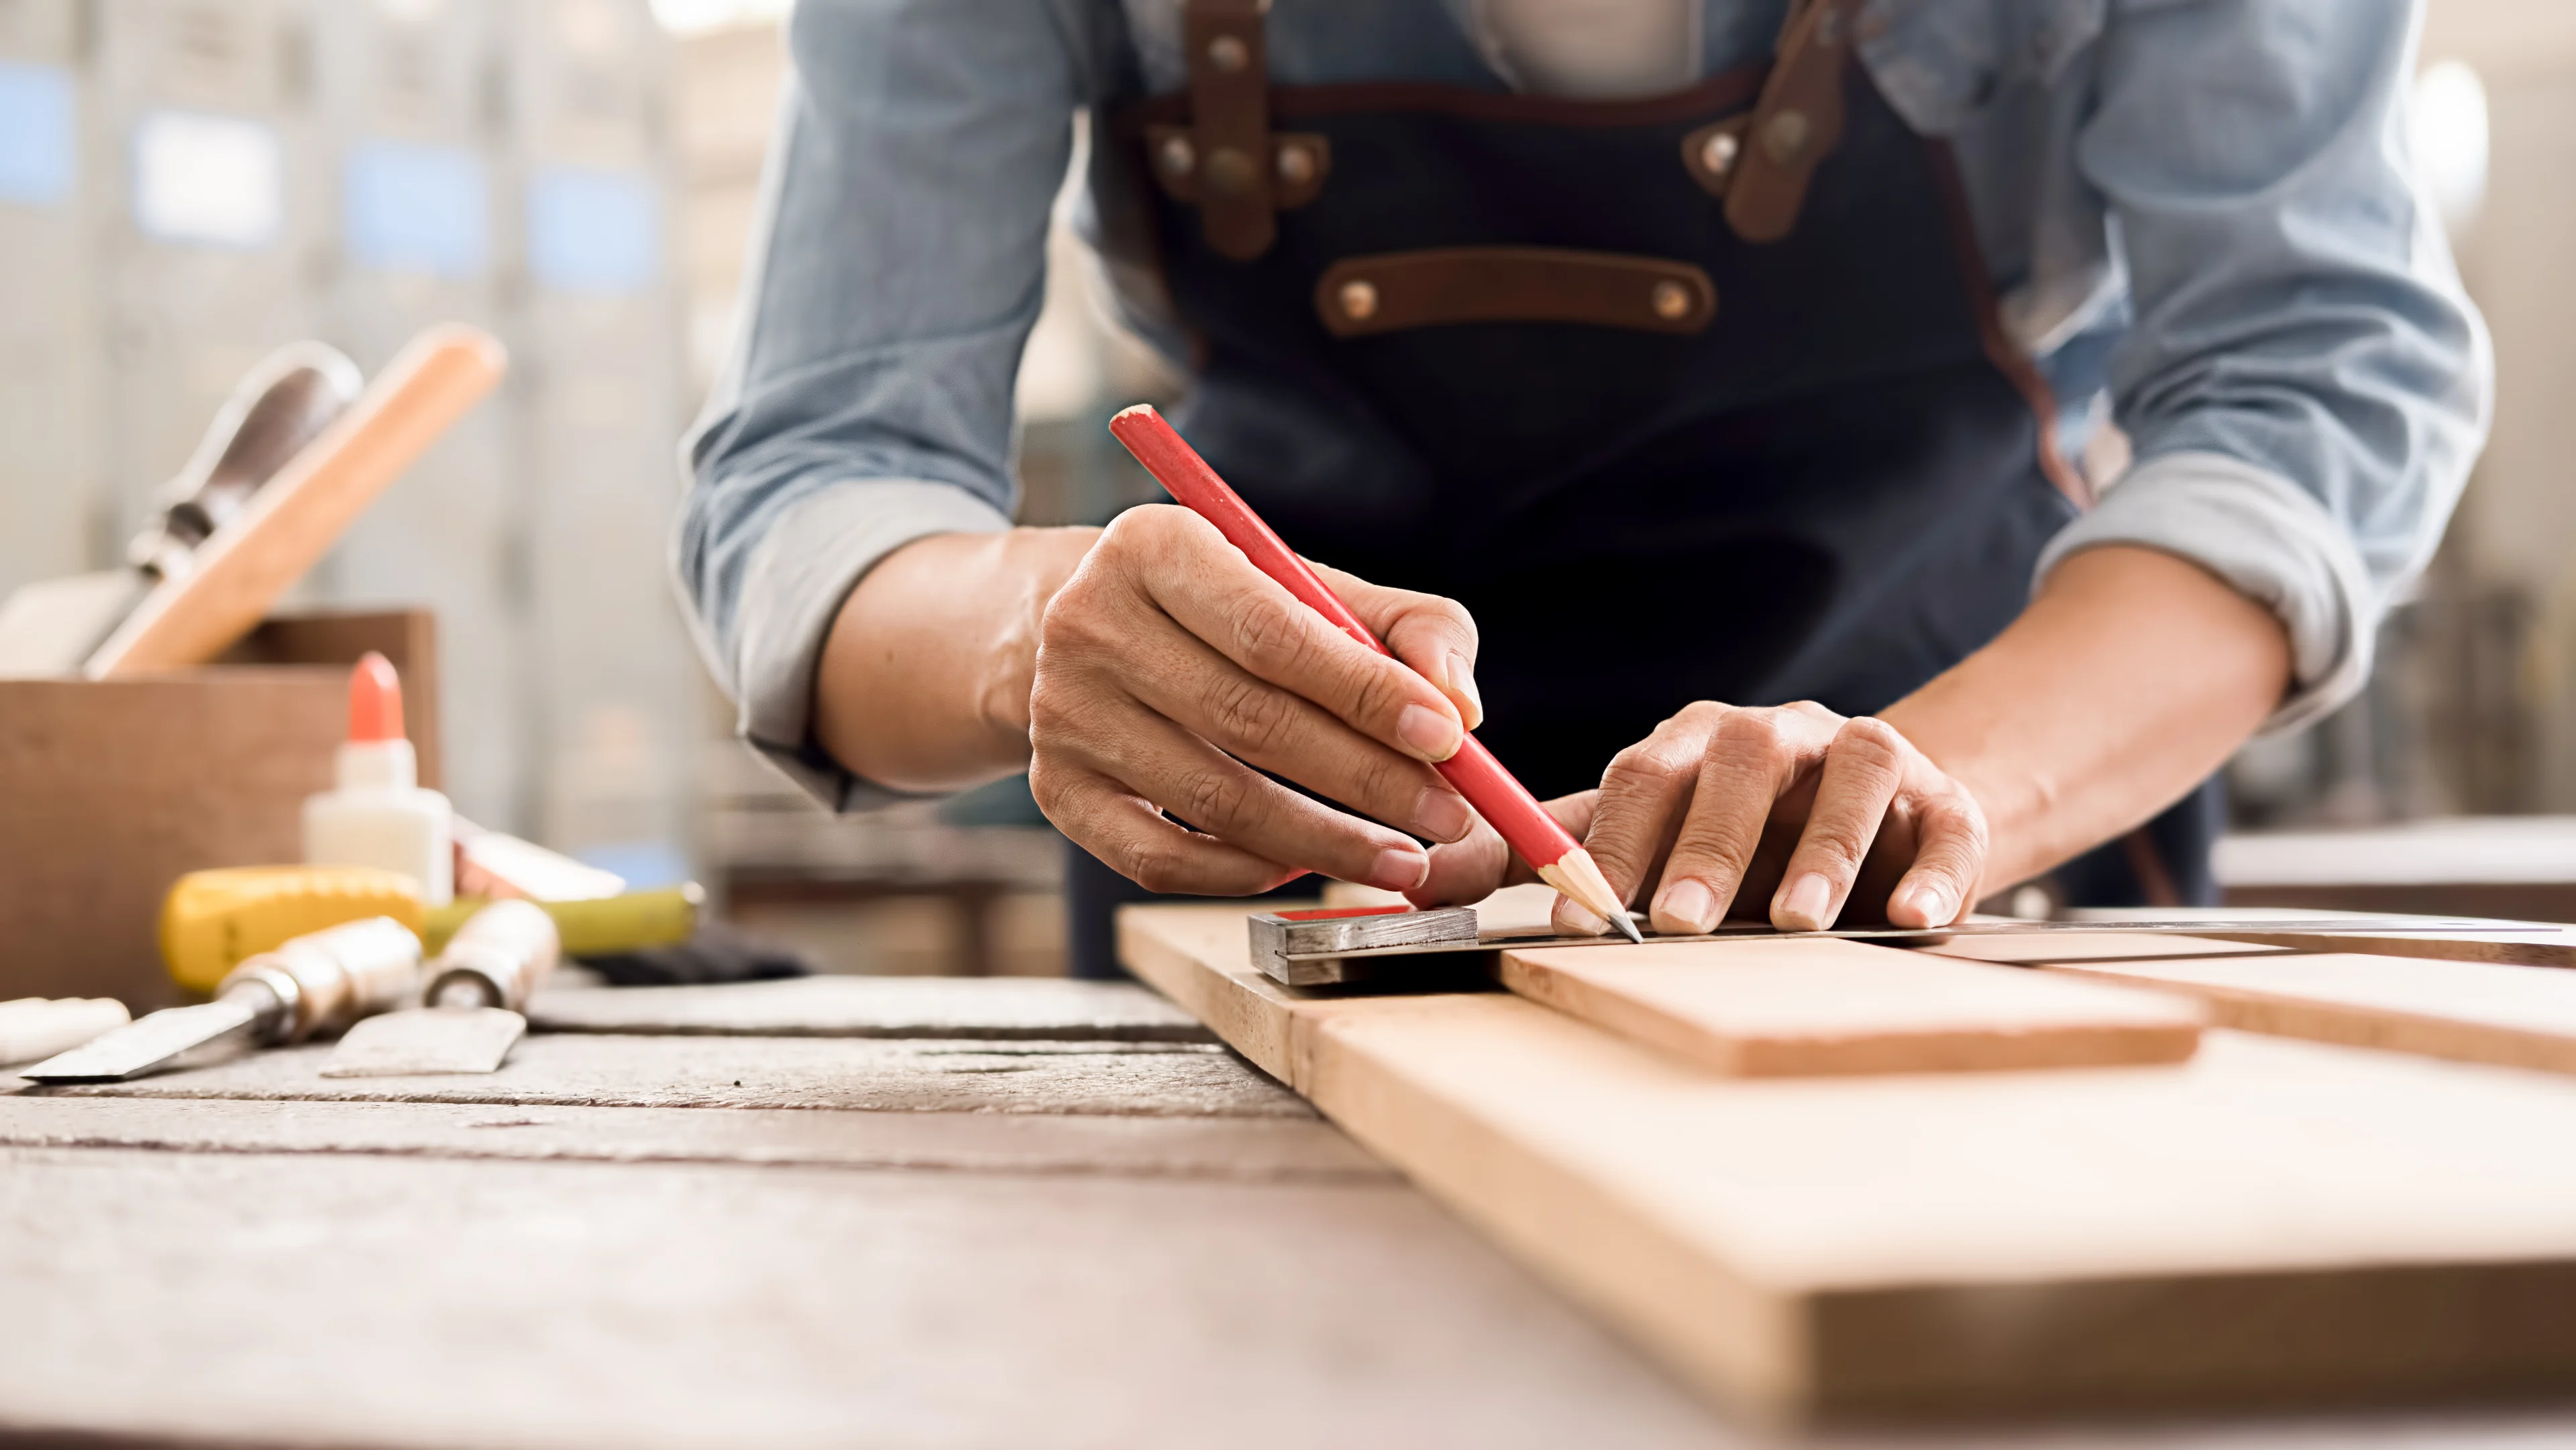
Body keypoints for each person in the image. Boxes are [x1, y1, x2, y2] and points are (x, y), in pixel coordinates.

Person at [677, 0, 2488, 978]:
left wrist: (1950, 793)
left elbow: (2309, 384)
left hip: (1955, 892)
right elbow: (819, 485)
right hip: (1291, 920)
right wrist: (1028, 635)